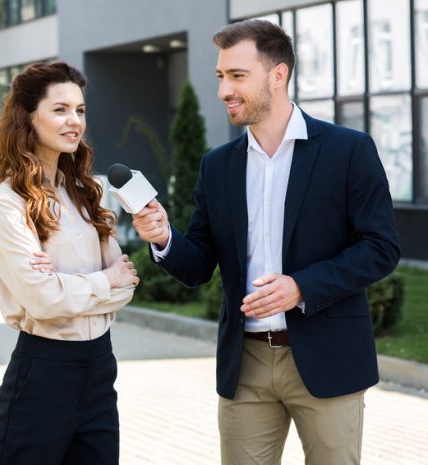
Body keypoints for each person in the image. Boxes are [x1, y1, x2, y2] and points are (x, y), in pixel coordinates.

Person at [132, 19, 400, 465]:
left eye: (237, 76)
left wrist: (301, 287)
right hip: (247, 363)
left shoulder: (348, 150)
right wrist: (163, 238)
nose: (224, 90)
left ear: (279, 75)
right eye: (221, 76)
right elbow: (198, 264)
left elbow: (380, 247)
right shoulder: (217, 166)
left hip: (328, 355)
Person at [0, 62, 138, 465]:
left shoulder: (89, 193)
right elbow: (45, 302)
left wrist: (74, 285)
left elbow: (126, 286)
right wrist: (103, 281)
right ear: (28, 116)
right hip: (43, 372)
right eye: (60, 109)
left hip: (100, 368)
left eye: (80, 110)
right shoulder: (9, 204)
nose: (74, 121)